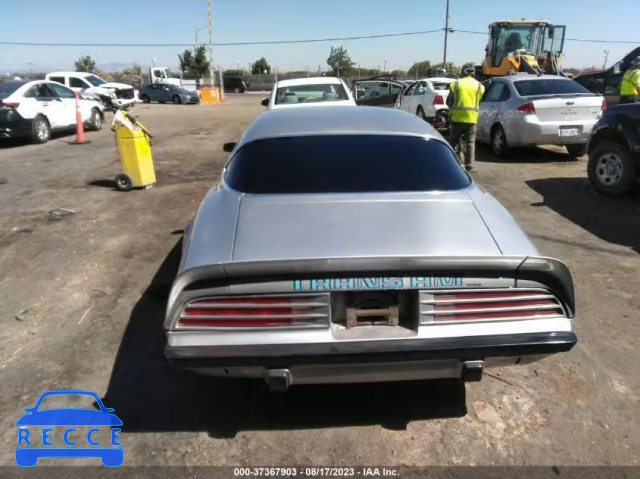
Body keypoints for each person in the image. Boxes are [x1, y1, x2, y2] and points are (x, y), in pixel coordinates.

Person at [447, 64, 485, 171]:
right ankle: (469, 165)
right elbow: (478, 102)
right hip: (472, 119)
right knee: (470, 143)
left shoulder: (456, 84)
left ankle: (451, 164)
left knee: (453, 141)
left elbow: (449, 102)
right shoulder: (479, 86)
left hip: (457, 119)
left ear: (462, 71)